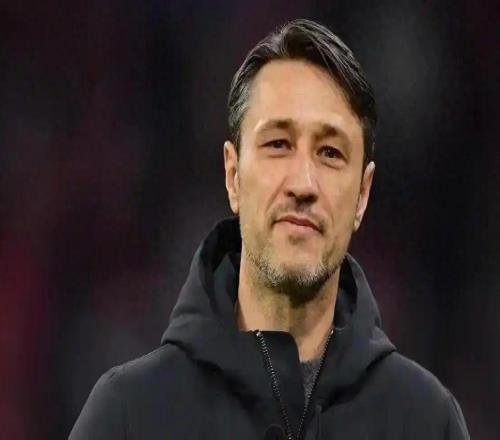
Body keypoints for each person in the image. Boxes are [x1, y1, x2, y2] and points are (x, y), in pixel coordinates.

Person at [69, 19, 469, 440]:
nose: (303, 184)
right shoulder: (130, 414)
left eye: (330, 153)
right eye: (278, 144)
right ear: (233, 175)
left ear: (362, 195)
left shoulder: (426, 421)